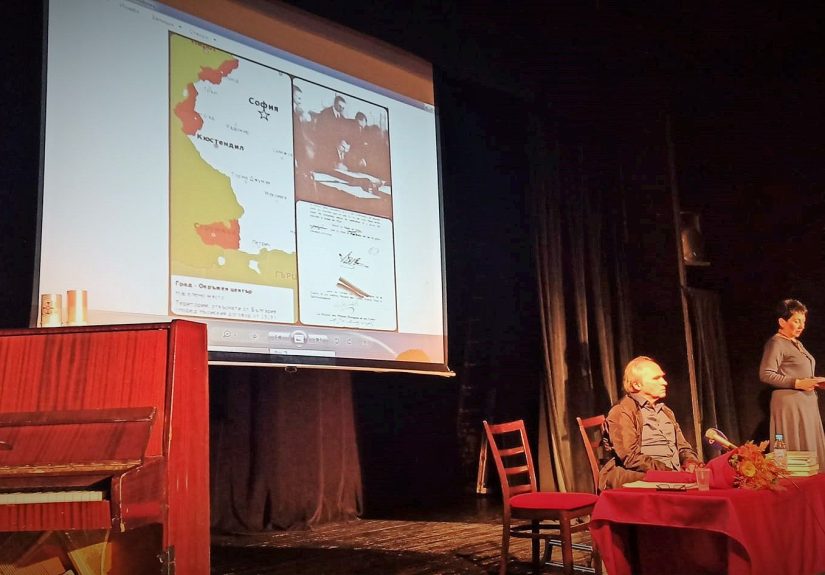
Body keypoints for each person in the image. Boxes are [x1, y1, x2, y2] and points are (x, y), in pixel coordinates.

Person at [598, 356, 701, 490]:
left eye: (662, 377)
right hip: (642, 477)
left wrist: (690, 461)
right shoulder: (622, 411)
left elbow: (683, 447)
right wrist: (670, 473)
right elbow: (630, 457)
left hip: (674, 477)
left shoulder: (666, 412)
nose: (664, 382)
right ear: (637, 385)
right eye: (656, 378)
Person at [758, 298, 825, 464]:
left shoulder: (797, 343)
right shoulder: (776, 343)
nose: (802, 326)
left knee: (812, 456)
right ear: (782, 322)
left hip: (806, 404)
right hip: (790, 405)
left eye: (803, 321)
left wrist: (815, 381)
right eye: (797, 321)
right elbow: (766, 374)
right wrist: (797, 383)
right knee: (796, 452)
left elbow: (799, 371)